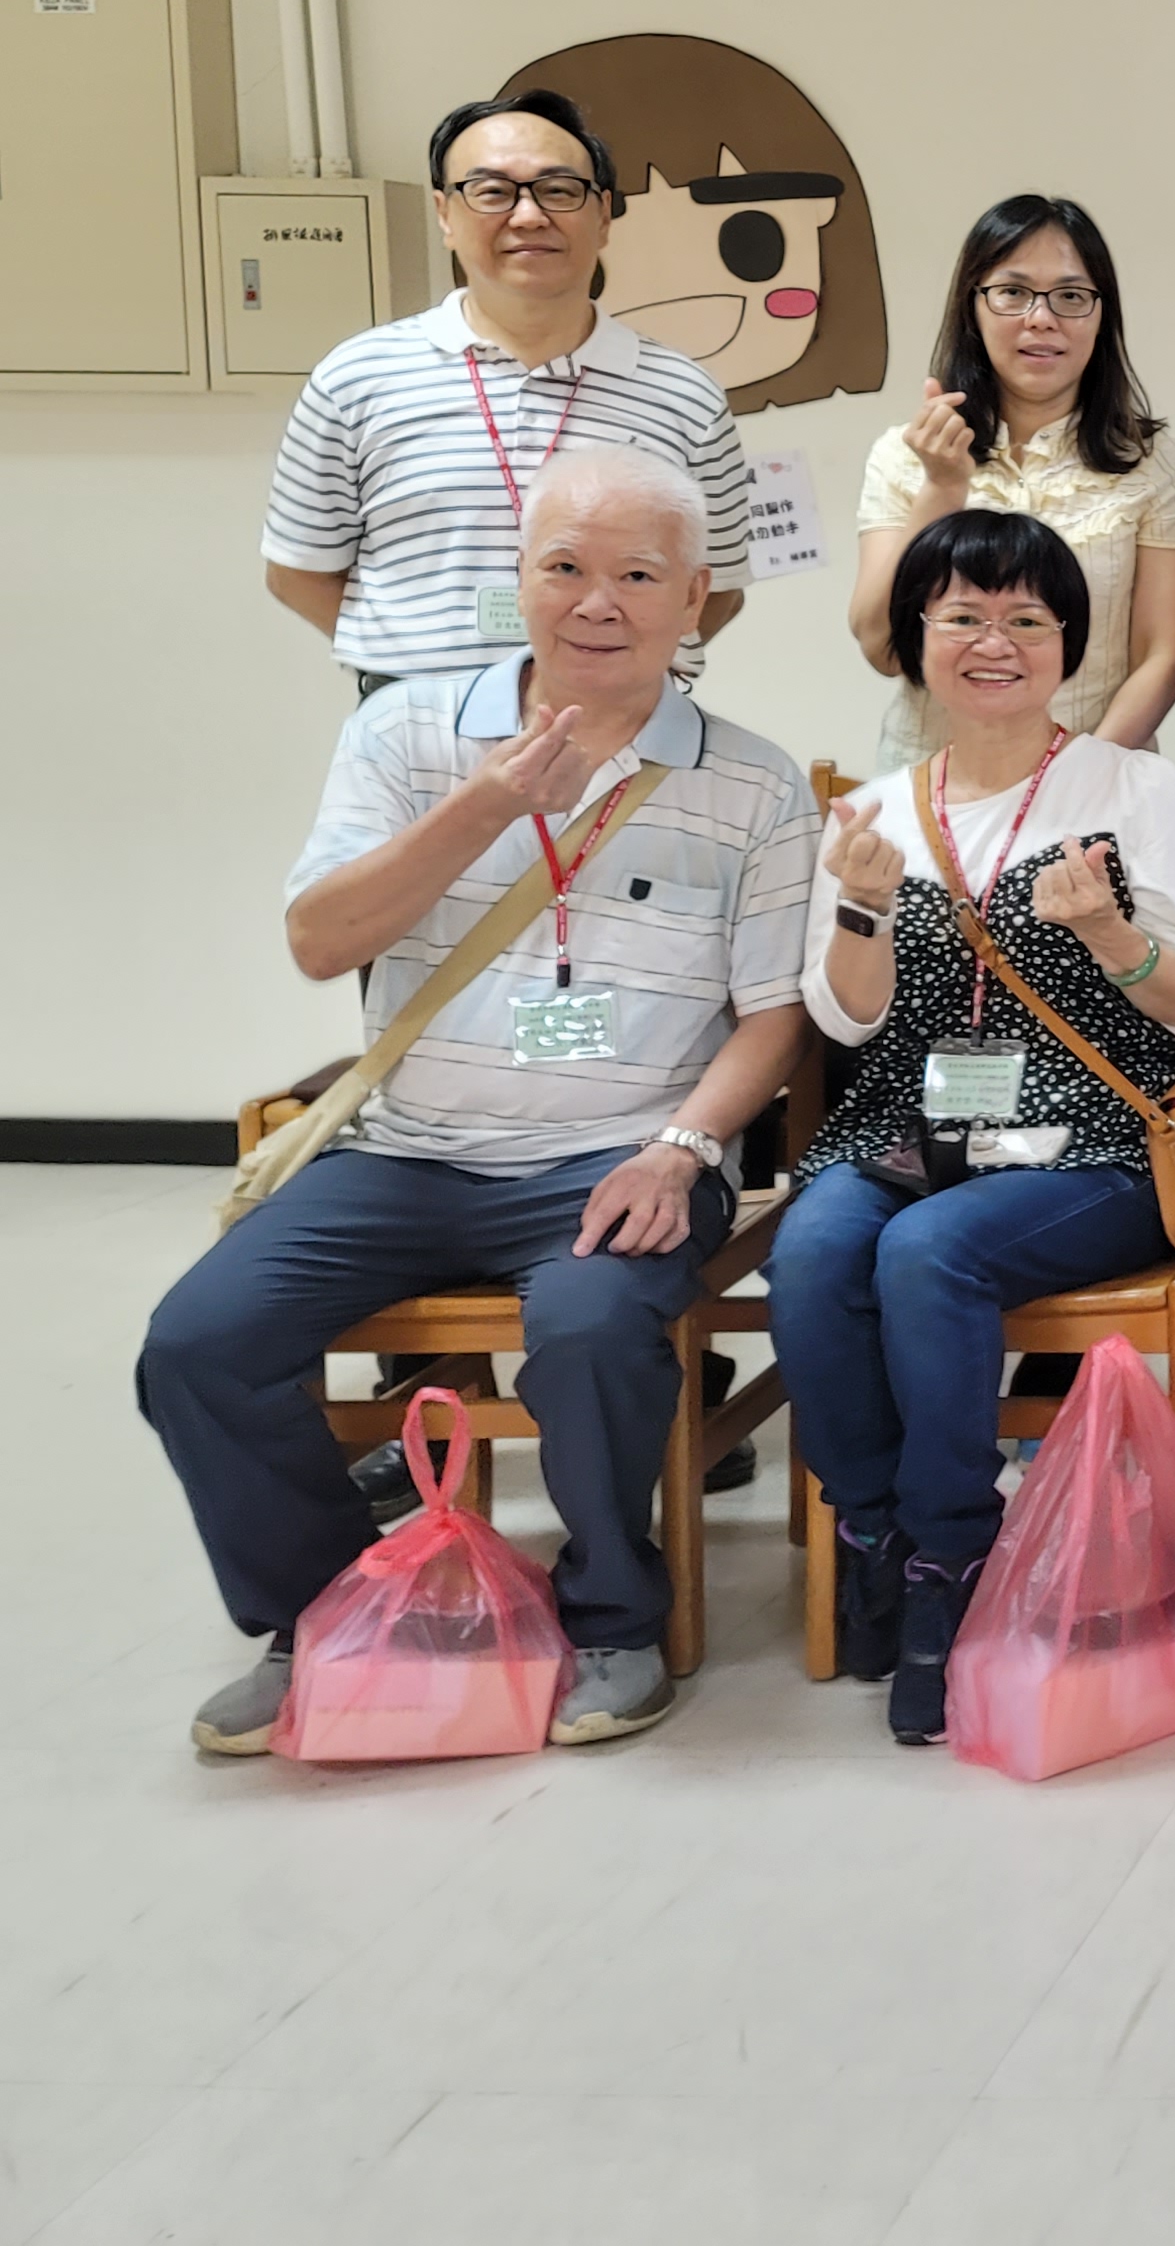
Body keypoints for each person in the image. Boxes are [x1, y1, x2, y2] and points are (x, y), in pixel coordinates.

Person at [144, 448, 815, 1754]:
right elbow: (321, 942)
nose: (597, 603)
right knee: (198, 1343)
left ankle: (613, 1619)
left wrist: (683, 1149)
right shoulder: (403, 733)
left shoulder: (753, 782)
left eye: (638, 576)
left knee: (589, 1325)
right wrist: (488, 802)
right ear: (521, 579)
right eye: (564, 567)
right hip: (406, 1154)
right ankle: (329, 1616)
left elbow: (773, 1015)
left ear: (695, 599)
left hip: (619, 1155)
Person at [769, 508, 1175, 1745]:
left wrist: (1111, 934)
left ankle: (950, 1562)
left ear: (1068, 644)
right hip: (909, 1126)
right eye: (963, 616)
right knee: (810, 1254)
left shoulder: (1131, 785)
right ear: (914, 639)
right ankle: (873, 1530)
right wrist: (861, 911)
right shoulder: (871, 812)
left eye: (1028, 618)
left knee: (928, 1254)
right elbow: (845, 1021)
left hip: (1097, 1137)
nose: (995, 642)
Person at [266, 90, 755, 690]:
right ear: (445, 214)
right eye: (493, 192)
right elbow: (297, 571)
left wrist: (614, 673)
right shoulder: (356, 380)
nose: (528, 216)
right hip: (419, 728)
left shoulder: (684, 395)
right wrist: (417, 675)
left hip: (618, 725)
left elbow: (719, 584)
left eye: (559, 190)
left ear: (603, 216)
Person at [849, 195, 1175, 769]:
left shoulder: (1152, 461)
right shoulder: (904, 454)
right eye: (1013, 293)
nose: (1041, 318)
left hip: (1096, 780)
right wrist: (942, 488)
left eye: (1070, 296)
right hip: (931, 779)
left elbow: (1161, 658)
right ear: (972, 305)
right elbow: (882, 649)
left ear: (1102, 315)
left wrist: (1078, 777)